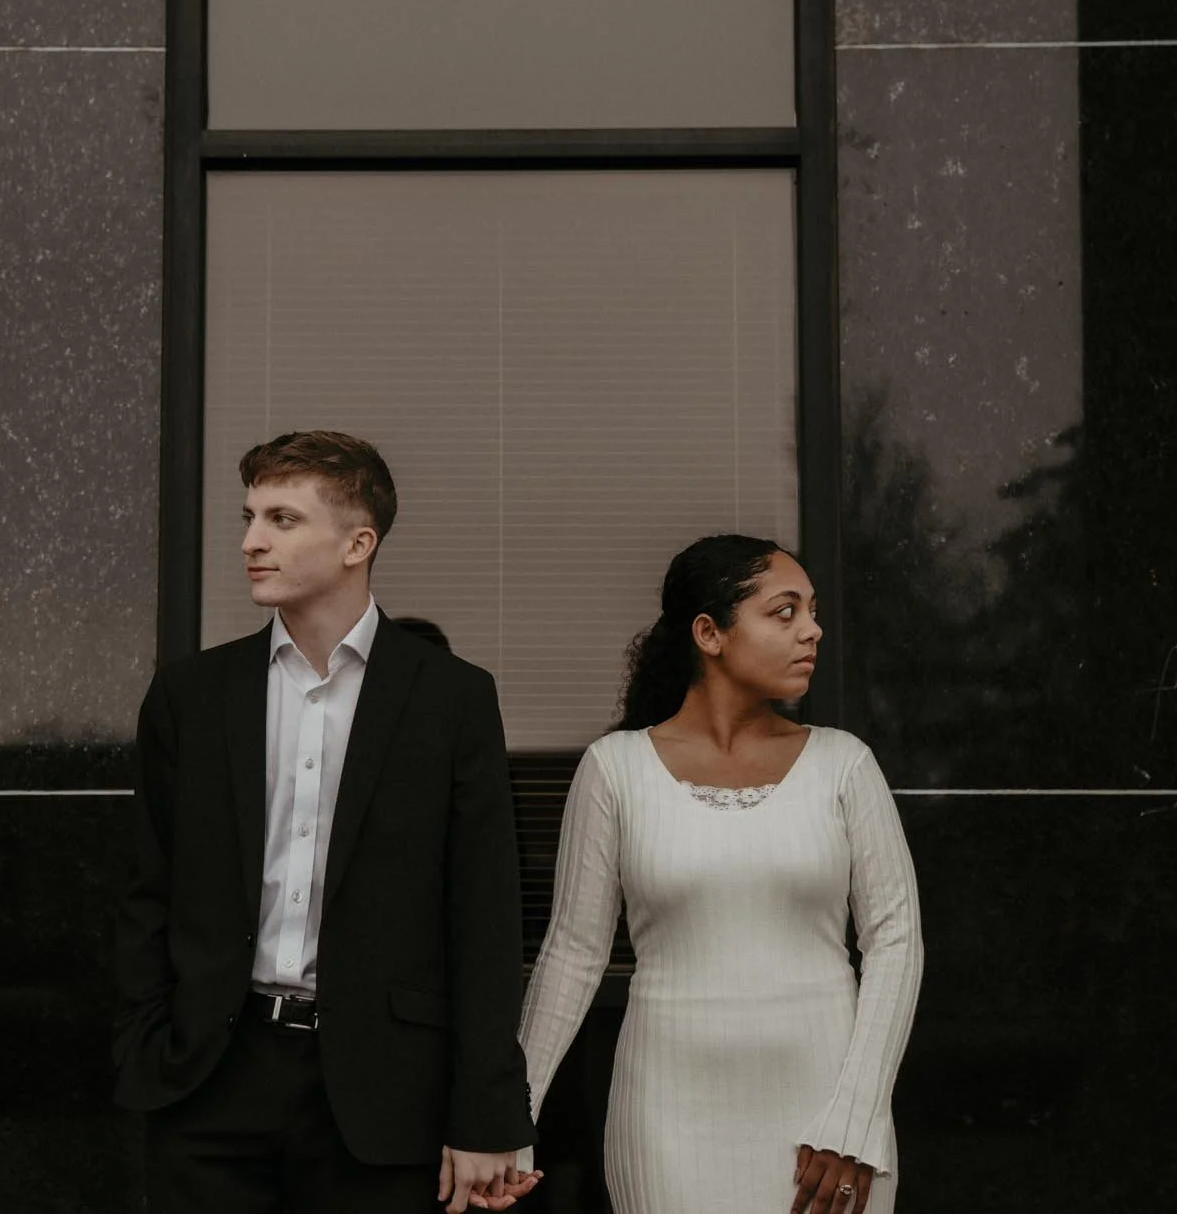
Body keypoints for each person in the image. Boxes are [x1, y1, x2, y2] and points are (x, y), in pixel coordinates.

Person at [114, 430, 542, 1213]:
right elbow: (151, 888)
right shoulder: (192, 696)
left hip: (385, 1090)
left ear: (358, 541)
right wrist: (151, 1040)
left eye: (281, 518)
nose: (251, 541)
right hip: (210, 1077)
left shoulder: (451, 699)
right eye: (249, 516)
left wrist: (487, 1113)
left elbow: (483, 916)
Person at [516, 534, 924, 1214]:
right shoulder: (615, 768)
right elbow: (574, 953)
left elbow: (896, 943)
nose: (813, 629)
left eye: (812, 611)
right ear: (709, 632)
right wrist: (507, 1112)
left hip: (829, 1117)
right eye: (784, 612)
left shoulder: (844, 764)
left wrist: (855, 1120)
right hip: (666, 1116)